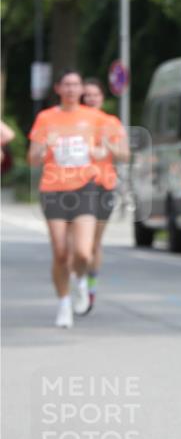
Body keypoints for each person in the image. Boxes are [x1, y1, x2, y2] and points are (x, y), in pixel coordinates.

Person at [28, 70, 107, 327]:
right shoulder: (45, 117)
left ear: (82, 89)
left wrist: (97, 150)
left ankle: (81, 280)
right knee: (61, 253)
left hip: (84, 187)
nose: (72, 89)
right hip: (53, 188)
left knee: (83, 252)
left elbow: (111, 149)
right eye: (67, 84)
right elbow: (32, 158)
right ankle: (63, 304)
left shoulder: (94, 118)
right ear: (58, 88)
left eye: (76, 85)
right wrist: (43, 146)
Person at [80, 78, 130, 310]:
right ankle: (79, 281)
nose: (91, 98)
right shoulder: (74, 120)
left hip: (103, 185)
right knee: (78, 244)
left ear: (102, 97)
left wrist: (108, 147)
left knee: (93, 243)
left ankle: (90, 286)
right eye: (87, 95)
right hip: (76, 187)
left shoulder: (111, 122)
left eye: (95, 95)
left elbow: (124, 155)